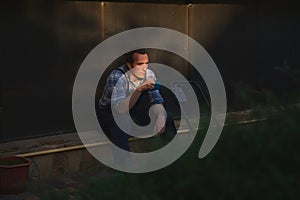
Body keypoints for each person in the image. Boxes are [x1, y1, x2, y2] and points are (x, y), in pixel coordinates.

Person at [97, 49, 176, 153]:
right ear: (129, 65)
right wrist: (139, 89)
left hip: (135, 113)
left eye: (146, 63)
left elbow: (156, 100)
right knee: (122, 121)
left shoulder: (149, 74)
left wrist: (161, 115)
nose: (144, 68)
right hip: (112, 115)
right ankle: (123, 165)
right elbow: (120, 109)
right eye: (140, 64)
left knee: (167, 116)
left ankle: (172, 159)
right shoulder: (117, 76)